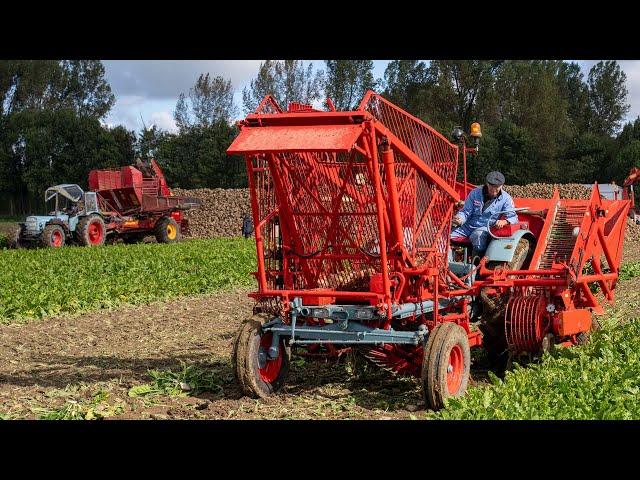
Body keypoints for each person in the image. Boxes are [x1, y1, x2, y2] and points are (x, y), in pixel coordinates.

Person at [450, 171, 518, 257]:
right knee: (446, 236)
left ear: (502, 185)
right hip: (467, 226)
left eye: (497, 187)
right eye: (492, 186)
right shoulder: (475, 193)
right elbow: (466, 211)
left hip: (485, 228)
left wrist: (504, 222)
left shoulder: (506, 199)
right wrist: (459, 218)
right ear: (487, 184)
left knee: (477, 236)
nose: (495, 189)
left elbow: (513, 217)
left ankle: (476, 263)